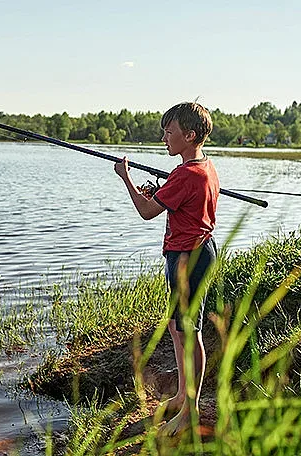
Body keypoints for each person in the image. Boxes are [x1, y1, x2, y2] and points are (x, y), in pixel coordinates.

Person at [113, 102, 219, 436]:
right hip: (189, 253)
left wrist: (126, 178)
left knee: (190, 333)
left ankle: (190, 410)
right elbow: (182, 201)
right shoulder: (203, 168)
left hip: (190, 257)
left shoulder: (186, 174)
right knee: (178, 328)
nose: (164, 138)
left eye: (169, 132)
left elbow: (146, 212)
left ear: (189, 136)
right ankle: (180, 398)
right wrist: (161, 192)